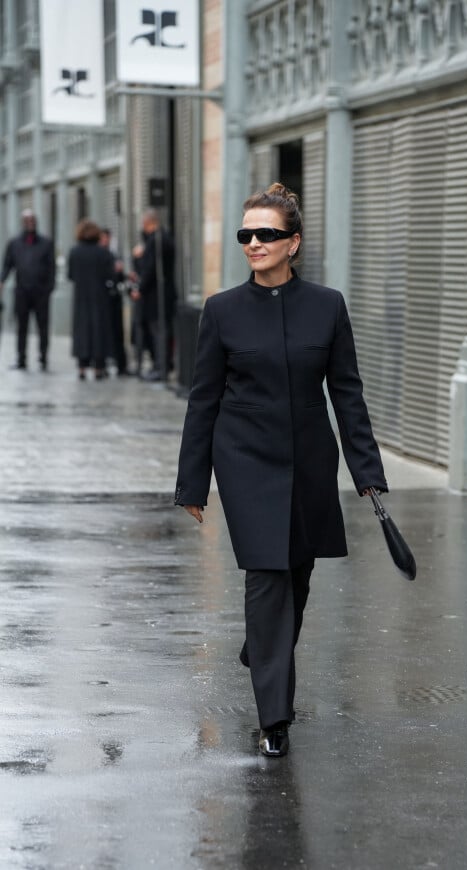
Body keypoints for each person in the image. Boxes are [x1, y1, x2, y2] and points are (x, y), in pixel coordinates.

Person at [175, 183, 388, 758]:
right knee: (267, 576)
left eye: (266, 234)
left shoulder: (327, 305)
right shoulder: (221, 311)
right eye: (246, 234)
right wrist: (193, 482)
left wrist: (366, 469)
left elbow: (346, 392)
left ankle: (262, 647)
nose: (254, 243)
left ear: (293, 243)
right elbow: (204, 399)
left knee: (296, 574)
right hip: (244, 460)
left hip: (310, 459)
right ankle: (275, 719)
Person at [0, 209, 55, 371]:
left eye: (32, 220)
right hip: (22, 292)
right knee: (21, 327)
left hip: (41, 293)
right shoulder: (14, 244)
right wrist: (2, 281)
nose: (30, 223)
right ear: (23, 223)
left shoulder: (46, 243)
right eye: (27, 220)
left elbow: (51, 268)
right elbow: (7, 265)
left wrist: (49, 289)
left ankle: (43, 357)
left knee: (43, 327)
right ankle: (21, 358)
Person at [131, 209, 177, 380]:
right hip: (159, 294)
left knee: (159, 331)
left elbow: (149, 268)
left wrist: (139, 289)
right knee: (158, 330)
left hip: (157, 296)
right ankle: (160, 365)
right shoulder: (161, 238)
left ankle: (161, 366)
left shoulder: (156, 241)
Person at [68, 219, 115, 381]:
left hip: (81, 298)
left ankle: (82, 366)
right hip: (99, 298)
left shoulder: (75, 252)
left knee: (82, 332)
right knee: (98, 332)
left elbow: (70, 275)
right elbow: (111, 275)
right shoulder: (103, 253)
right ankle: (98, 367)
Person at [99, 228, 129, 376]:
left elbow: (118, 276)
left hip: (114, 300)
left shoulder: (112, 254)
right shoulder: (99, 255)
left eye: (107, 238)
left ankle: (121, 365)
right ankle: (103, 364)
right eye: (103, 238)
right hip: (102, 302)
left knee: (118, 333)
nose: (105, 240)